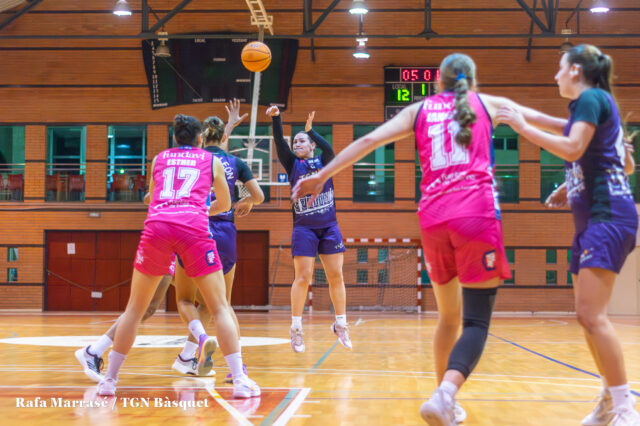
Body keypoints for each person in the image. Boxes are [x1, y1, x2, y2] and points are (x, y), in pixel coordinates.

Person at [290, 53, 554, 424]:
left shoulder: (419, 110)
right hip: (475, 215)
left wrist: (322, 176)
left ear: (437, 83)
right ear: (471, 81)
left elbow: (369, 140)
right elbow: (552, 123)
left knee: (448, 318)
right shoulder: (487, 103)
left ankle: (443, 400)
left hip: (433, 219)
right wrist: (599, 124)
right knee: (475, 323)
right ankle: (446, 394)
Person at [496, 44, 640, 426]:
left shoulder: (591, 98)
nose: (555, 75)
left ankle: (626, 409)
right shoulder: (588, 106)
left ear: (576, 70)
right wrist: (569, 184)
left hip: (608, 217)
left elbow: (574, 146)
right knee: (585, 315)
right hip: (591, 221)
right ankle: (609, 400)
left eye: (560, 68)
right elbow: (618, 161)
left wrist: (521, 127)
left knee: (593, 315)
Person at [96, 114, 260, 399]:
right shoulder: (211, 160)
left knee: (135, 309)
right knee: (220, 306)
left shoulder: (159, 159)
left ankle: (109, 381)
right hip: (193, 230)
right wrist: (200, 210)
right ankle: (240, 380)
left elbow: (151, 198)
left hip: (158, 227)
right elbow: (225, 204)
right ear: (200, 139)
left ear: (175, 138)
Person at [179, 98, 265, 383]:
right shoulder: (235, 162)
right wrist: (248, 201)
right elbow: (259, 196)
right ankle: (235, 368)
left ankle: (190, 354)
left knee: (187, 299)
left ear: (201, 137)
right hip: (225, 232)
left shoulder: (194, 158)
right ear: (223, 137)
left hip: (196, 229)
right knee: (221, 305)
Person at [267, 106, 351, 353]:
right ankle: (296, 329)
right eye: (295, 141)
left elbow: (330, 150)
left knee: (336, 276)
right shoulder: (293, 164)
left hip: (329, 227)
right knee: (303, 277)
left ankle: (340, 324)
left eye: (302, 140)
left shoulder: (323, 161)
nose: (297, 144)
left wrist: (311, 131)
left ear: (312, 145)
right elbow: (279, 141)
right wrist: (276, 118)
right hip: (304, 228)